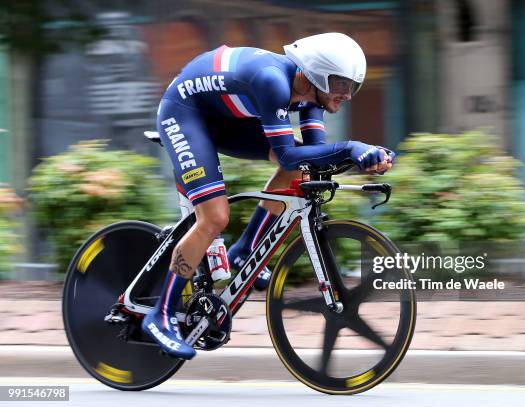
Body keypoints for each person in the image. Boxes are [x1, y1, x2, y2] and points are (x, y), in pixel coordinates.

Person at [142, 32, 394, 359]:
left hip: (222, 117)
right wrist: (350, 148)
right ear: (315, 73)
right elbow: (290, 156)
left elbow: (312, 159)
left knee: (300, 166)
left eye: (352, 87)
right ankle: (159, 315)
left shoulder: (311, 95)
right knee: (214, 217)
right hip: (185, 113)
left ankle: (245, 251)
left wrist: (364, 159)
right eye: (340, 84)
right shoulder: (273, 81)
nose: (346, 95)